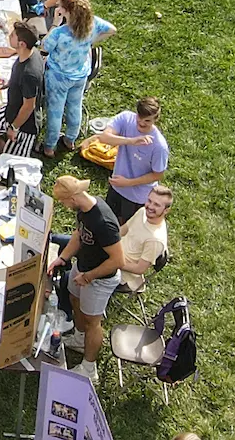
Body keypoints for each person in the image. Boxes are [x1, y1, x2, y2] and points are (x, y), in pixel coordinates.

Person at [47, 174, 127, 363]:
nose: (64, 205)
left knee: (93, 323)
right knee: (74, 299)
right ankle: (79, 339)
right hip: (82, 266)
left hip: (100, 278)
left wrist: (89, 277)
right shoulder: (83, 209)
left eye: (63, 201)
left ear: (72, 198)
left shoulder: (103, 223)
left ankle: (89, 367)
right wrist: (63, 257)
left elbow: (118, 260)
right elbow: (78, 234)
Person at [41, 0, 115, 157]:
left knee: (55, 110)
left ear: (66, 11)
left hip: (58, 76)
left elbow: (44, 47)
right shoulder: (93, 24)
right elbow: (112, 29)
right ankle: (70, 139)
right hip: (80, 74)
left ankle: (49, 146)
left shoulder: (60, 33)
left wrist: (54, 23)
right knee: (75, 106)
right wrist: (92, 42)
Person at [91, 97, 169, 227]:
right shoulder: (126, 118)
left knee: (125, 230)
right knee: (106, 223)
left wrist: (128, 183)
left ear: (156, 119)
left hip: (136, 197)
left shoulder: (159, 146)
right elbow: (104, 138)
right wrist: (132, 141)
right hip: (116, 186)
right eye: (140, 117)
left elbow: (158, 175)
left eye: (147, 120)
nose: (142, 123)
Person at [0, 22, 44, 157]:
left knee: (12, 160)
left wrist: (14, 128)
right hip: (11, 108)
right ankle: (5, 152)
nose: (10, 36)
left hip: (24, 124)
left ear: (22, 44)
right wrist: (8, 84)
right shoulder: (27, 54)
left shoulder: (29, 74)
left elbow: (28, 106)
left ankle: (8, 158)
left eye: (13, 35)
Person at [116, 183, 175, 292]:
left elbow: (139, 269)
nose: (150, 206)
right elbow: (122, 230)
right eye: (149, 201)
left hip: (121, 274)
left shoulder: (155, 240)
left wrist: (114, 261)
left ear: (166, 210)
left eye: (157, 205)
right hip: (113, 252)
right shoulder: (142, 212)